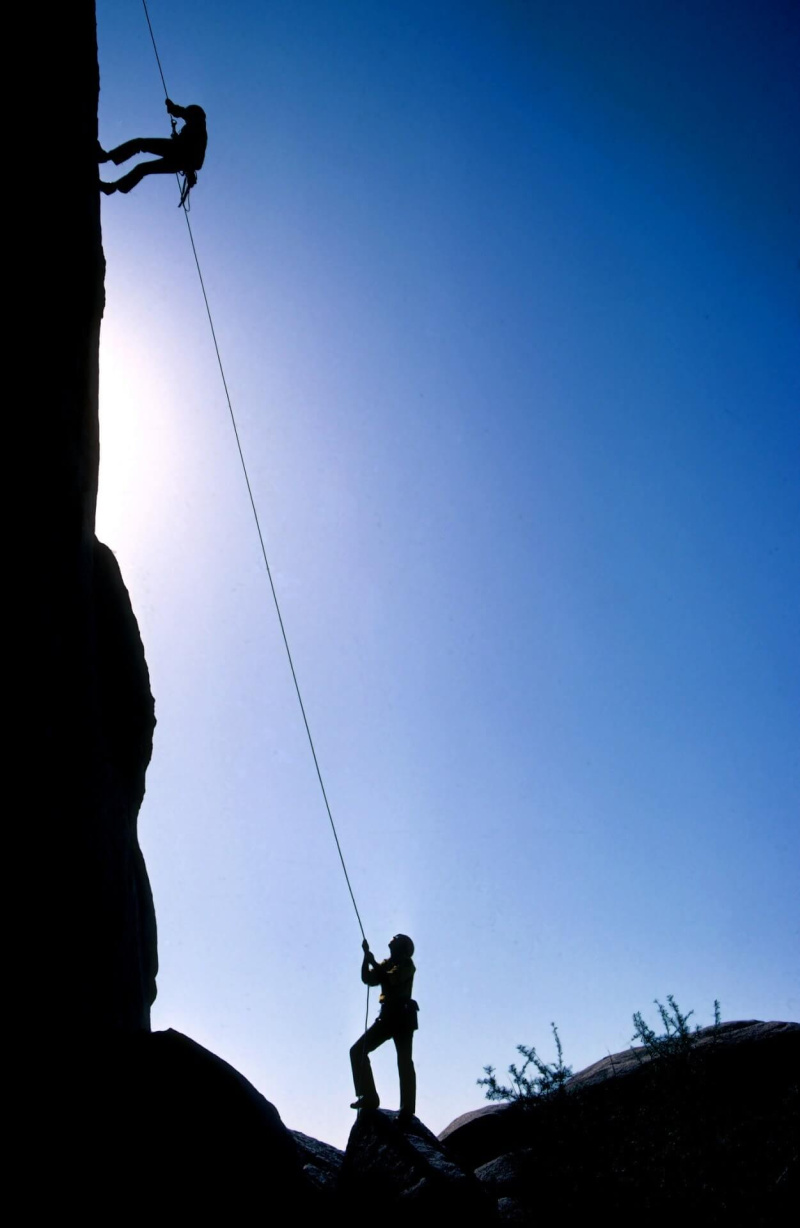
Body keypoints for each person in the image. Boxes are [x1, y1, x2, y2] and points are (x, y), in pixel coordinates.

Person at [350, 934, 419, 1118]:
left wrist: (372, 960)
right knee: (357, 1050)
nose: (392, 939)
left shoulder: (407, 965)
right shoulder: (387, 963)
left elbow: (389, 979)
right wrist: (366, 959)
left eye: (397, 938)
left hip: (402, 1017)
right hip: (387, 1016)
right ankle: (369, 1096)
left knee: (404, 1061)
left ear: (402, 947)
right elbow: (368, 979)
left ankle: (407, 1108)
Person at [99, 98, 207, 196]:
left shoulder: (199, 126)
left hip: (176, 152)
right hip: (178, 159)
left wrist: (173, 107)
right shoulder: (196, 129)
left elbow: (184, 113)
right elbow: (194, 158)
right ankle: (113, 187)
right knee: (143, 168)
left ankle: (106, 158)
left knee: (140, 144)